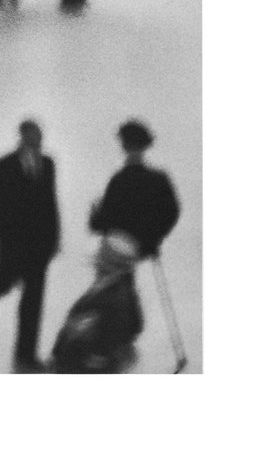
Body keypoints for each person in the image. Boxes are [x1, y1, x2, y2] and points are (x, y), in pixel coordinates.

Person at [0, 118, 62, 371]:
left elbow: (50, 203)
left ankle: (27, 354)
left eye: (39, 138)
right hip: (13, 244)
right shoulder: (2, 167)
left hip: (39, 247)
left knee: (33, 300)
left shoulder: (48, 164)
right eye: (33, 137)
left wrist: (54, 238)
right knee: (3, 283)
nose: (37, 142)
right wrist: (5, 232)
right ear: (22, 137)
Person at [51, 232, 145, 374]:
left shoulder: (103, 303)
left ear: (106, 265)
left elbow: (75, 338)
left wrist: (58, 358)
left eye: (100, 259)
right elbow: (136, 326)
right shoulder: (123, 290)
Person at [89, 119, 181, 260]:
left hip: (118, 250)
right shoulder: (159, 180)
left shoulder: (119, 180)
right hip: (146, 249)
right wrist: (153, 239)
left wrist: (95, 216)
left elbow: (103, 221)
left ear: (124, 145)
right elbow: (171, 213)